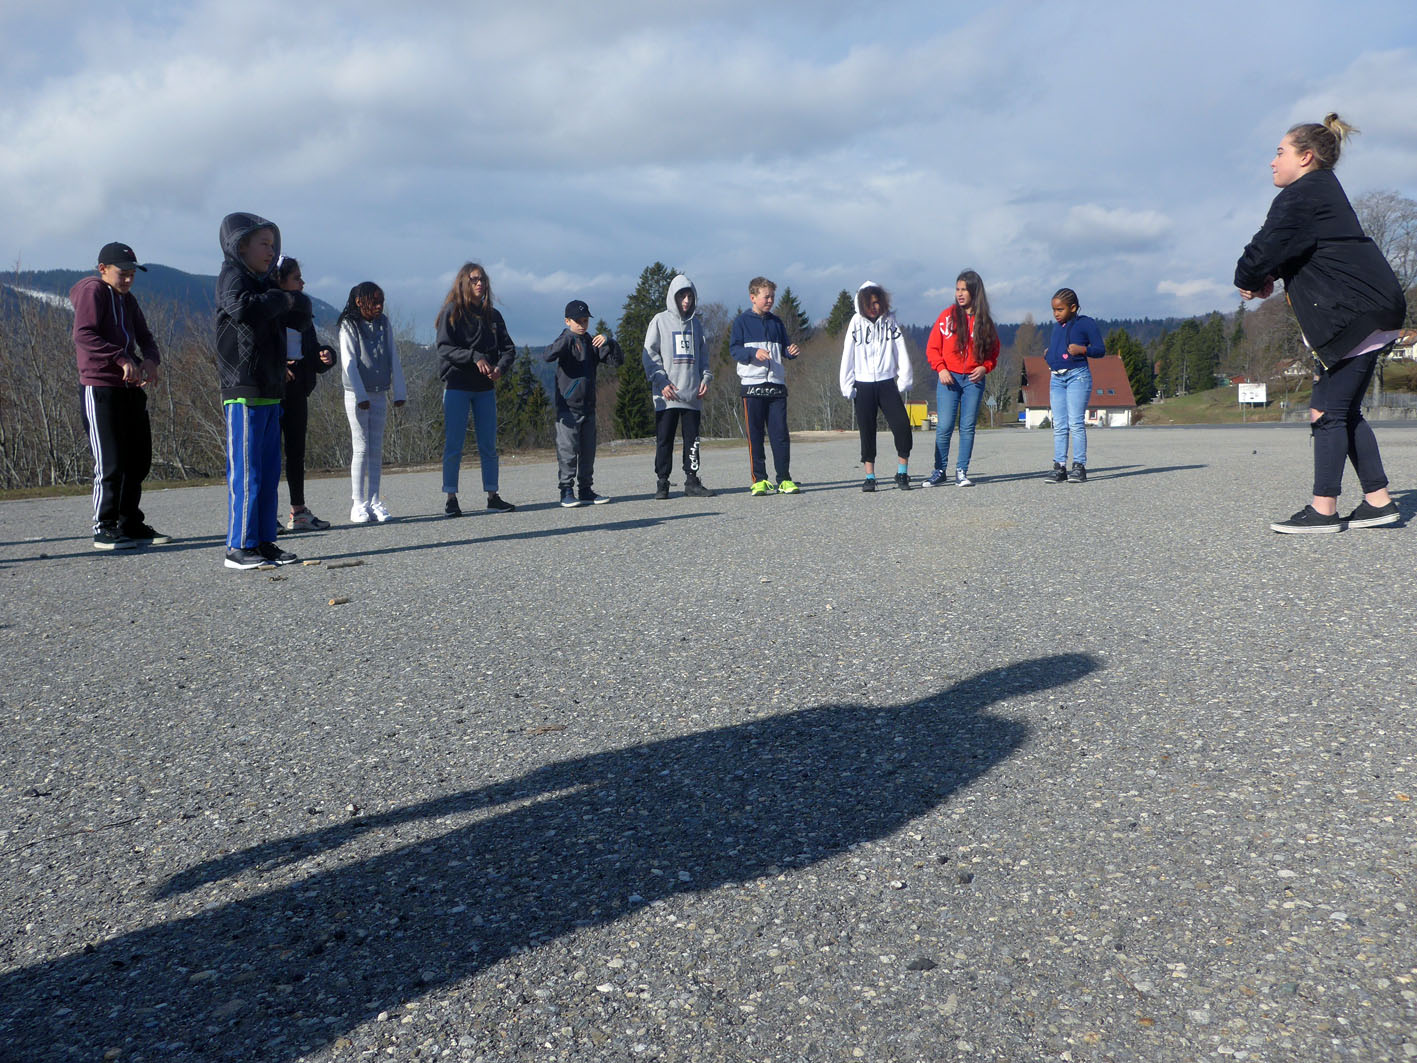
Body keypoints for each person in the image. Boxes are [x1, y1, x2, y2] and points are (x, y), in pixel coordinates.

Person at [1234, 113, 1405, 534]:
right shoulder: (1321, 191)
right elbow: (1304, 247)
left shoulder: (1303, 193)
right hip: (1370, 311)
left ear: (1305, 157)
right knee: (1342, 411)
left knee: (1326, 410)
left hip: (1356, 315)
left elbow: (1265, 246)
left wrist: (1249, 279)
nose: (1273, 161)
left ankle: (1324, 510)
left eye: (1280, 152)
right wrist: (1271, 276)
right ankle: (1378, 502)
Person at [216, 212, 312, 570]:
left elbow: (300, 313)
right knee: (248, 471)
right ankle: (239, 545)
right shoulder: (233, 276)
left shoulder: (266, 284)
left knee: (270, 472)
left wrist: (286, 300)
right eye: (264, 244)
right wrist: (282, 300)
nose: (272, 251)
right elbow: (242, 307)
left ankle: (264, 541)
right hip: (244, 388)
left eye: (274, 244)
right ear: (241, 245)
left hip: (271, 388)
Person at [71, 241, 171, 550]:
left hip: (130, 388)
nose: (128, 279)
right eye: (122, 273)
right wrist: (121, 358)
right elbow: (84, 334)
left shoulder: (128, 299)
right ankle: (104, 526)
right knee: (110, 461)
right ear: (103, 269)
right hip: (100, 387)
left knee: (138, 460)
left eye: (132, 274)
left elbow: (145, 337)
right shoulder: (93, 290)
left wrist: (150, 360)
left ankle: (130, 523)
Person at [436, 262, 517, 515]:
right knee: (454, 445)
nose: (479, 283)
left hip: (484, 389)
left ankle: (493, 496)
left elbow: (508, 349)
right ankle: (451, 498)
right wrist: (474, 356)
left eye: (482, 279)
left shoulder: (493, 316)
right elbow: (444, 348)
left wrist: (500, 368)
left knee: (488, 445)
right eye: (474, 279)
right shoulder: (451, 312)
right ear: (464, 282)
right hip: (457, 385)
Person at [276, 256, 337, 530]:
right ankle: (266, 514)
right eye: (296, 278)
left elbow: (311, 352)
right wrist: (277, 366)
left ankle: (298, 512)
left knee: (296, 451)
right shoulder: (269, 311)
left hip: (298, 389)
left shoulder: (302, 312)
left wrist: (326, 355)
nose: (303, 283)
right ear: (280, 281)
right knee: (269, 454)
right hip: (271, 390)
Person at [338, 282, 406, 523]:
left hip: (379, 392)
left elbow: (392, 355)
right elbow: (348, 361)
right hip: (356, 394)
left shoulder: (384, 323)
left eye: (381, 302)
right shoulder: (349, 325)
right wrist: (360, 396)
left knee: (376, 449)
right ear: (359, 302)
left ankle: (375, 500)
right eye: (374, 302)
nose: (379, 306)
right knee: (362, 447)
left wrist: (399, 391)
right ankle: (358, 503)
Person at [643, 274, 716, 500]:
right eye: (682, 296)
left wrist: (705, 379)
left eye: (690, 297)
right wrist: (661, 381)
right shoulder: (659, 321)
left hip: (692, 395)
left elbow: (704, 357)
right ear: (673, 297)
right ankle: (662, 482)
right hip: (667, 394)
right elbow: (649, 354)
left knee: (692, 441)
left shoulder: (696, 325)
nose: (686, 301)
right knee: (664, 439)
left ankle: (692, 481)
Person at [924, 269, 999, 487]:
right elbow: (932, 348)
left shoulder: (985, 322)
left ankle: (961, 471)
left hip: (974, 380)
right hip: (949, 378)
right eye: (957, 289)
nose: (959, 293)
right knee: (944, 426)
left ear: (975, 291)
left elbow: (993, 352)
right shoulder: (946, 316)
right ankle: (939, 470)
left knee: (967, 427)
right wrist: (941, 369)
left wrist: (985, 368)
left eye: (964, 289)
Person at [545, 299, 622, 506]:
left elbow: (616, 361)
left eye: (585, 320)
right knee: (568, 451)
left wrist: (610, 341)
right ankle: (566, 491)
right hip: (568, 408)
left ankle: (586, 490)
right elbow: (548, 355)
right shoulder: (565, 339)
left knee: (588, 452)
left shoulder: (590, 341)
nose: (582, 324)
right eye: (577, 321)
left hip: (588, 406)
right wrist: (568, 338)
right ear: (567, 321)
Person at [839, 281, 914, 491]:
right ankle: (870, 476)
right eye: (870, 303)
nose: (874, 307)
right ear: (862, 304)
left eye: (877, 303)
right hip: (863, 385)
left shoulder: (890, 321)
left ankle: (902, 473)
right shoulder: (855, 323)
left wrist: (904, 377)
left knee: (902, 426)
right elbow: (848, 354)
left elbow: (900, 348)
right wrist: (846, 384)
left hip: (886, 382)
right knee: (867, 430)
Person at [730, 276, 802, 494]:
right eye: (766, 296)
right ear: (753, 297)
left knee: (780, 436)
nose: (770, 300)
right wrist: (753, 353)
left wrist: (790, 352)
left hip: (776, 387)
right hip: (752, 388)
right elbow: (734, 350)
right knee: (755, 436)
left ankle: (784, 479)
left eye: (772, 297)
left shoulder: (776, 322)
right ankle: (759, 480)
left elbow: (784, 349)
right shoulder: (741, 322)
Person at [1042, 288, 1105, 484]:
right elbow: (1058, 350)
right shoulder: (1056, 327)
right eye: (1053, 310)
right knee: (1059, 425)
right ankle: (1059, 466)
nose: (1056, 314)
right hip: (1056, 378)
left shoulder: (1086, 323)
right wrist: (1049, 355)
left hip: (1077, 376)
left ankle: (1079, 466)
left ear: (1073, 307)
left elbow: (1100, 350)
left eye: (1060, 309)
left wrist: (1082, 349)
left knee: (1075, 423)